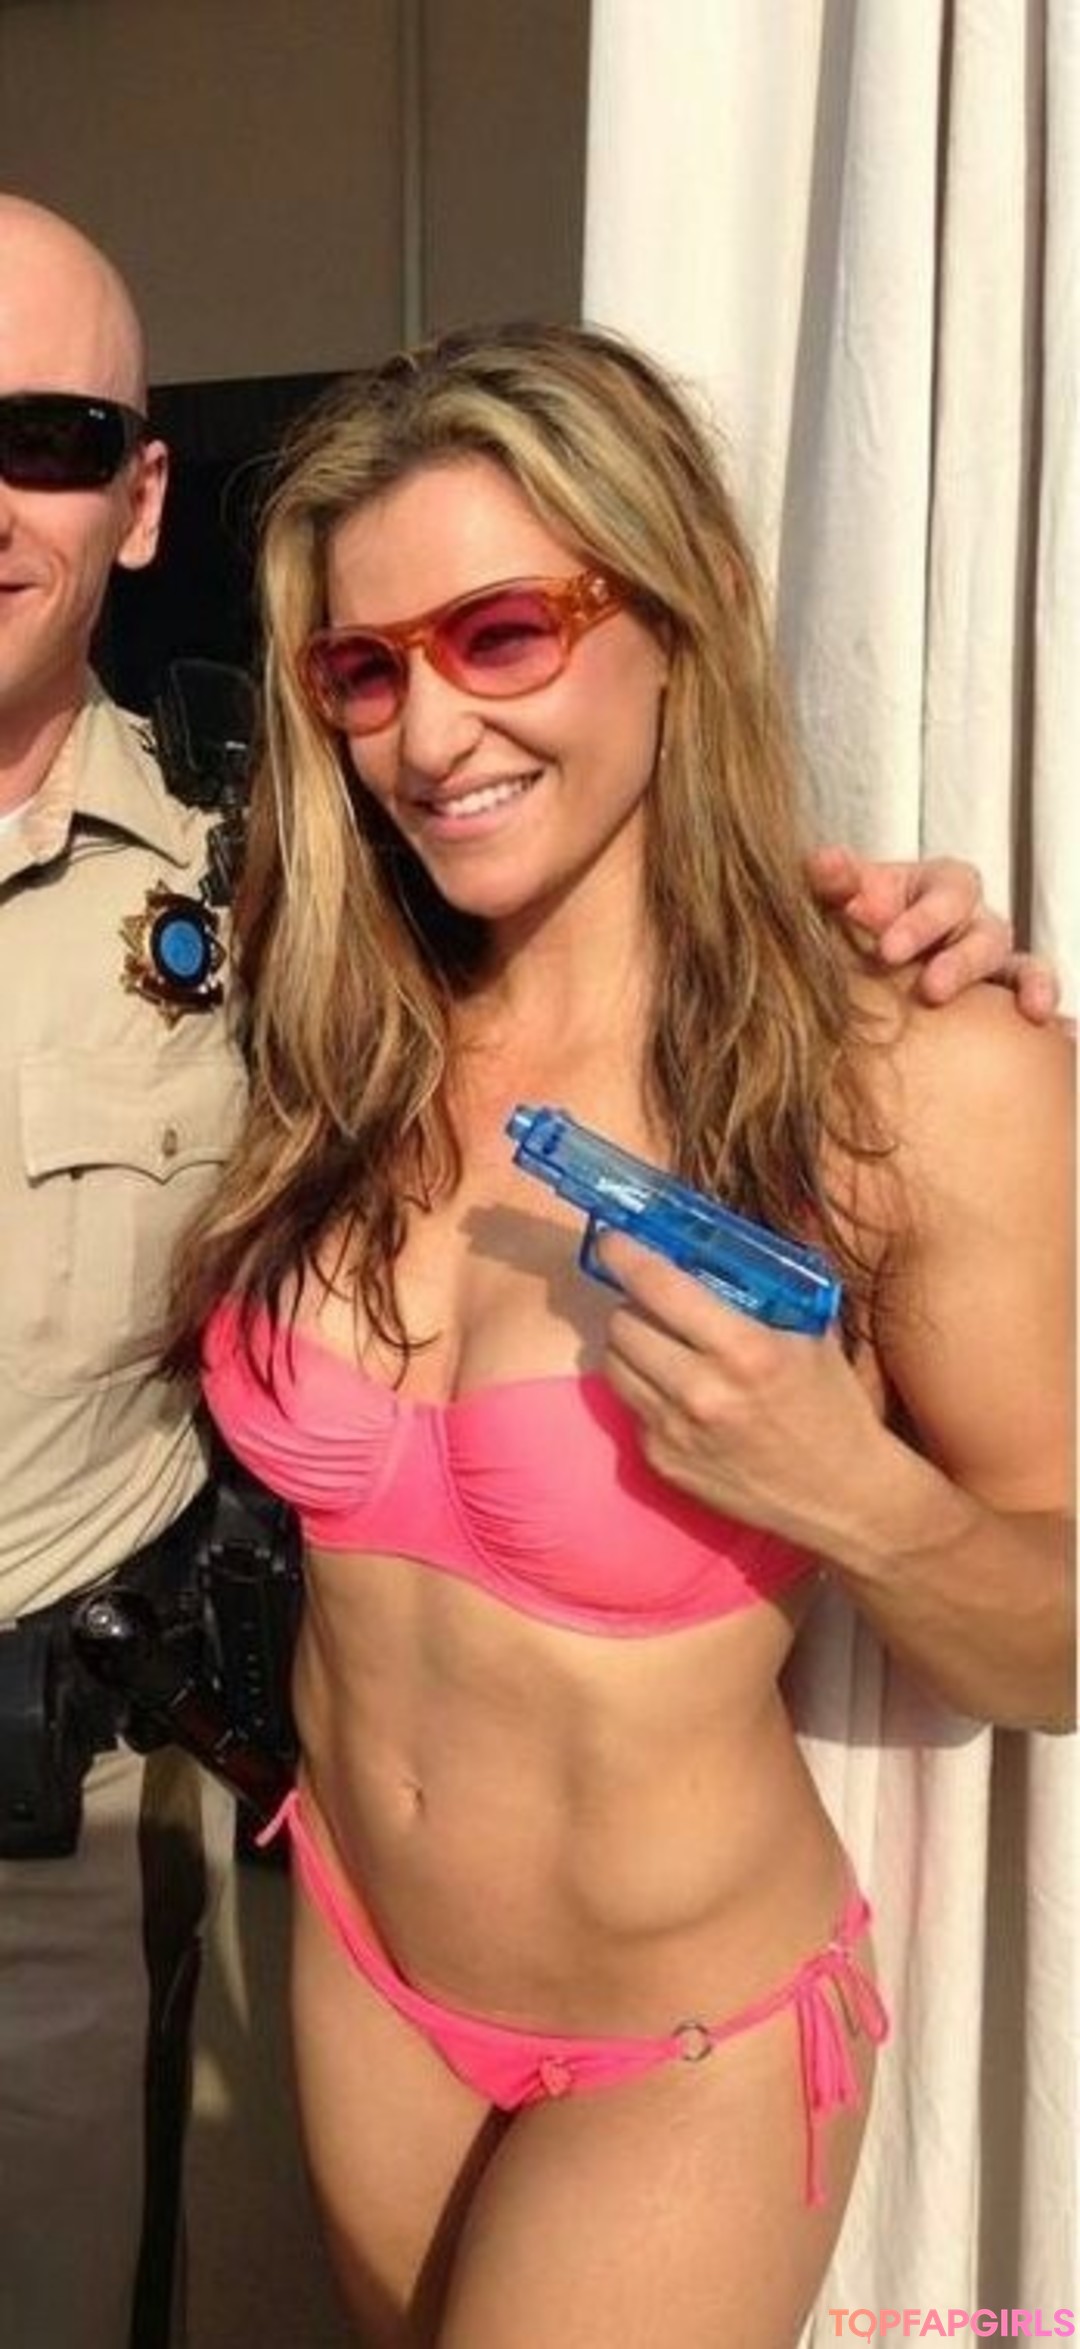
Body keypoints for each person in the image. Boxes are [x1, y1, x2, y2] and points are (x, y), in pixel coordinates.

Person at [171, 320, 1075, 2349]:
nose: (429, 733)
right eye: (365, 670)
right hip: (358, 1964)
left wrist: (857, 1493)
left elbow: (1061, 1636)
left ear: (687, 608)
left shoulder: (912, 1076)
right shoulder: (339, 1036)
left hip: (677, 2051)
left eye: (502, 633)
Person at [0, 195, 249, 2349]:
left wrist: (887, 950)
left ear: (139, 499)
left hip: (49, 1853)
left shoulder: (270, 870)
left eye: (45, 438)